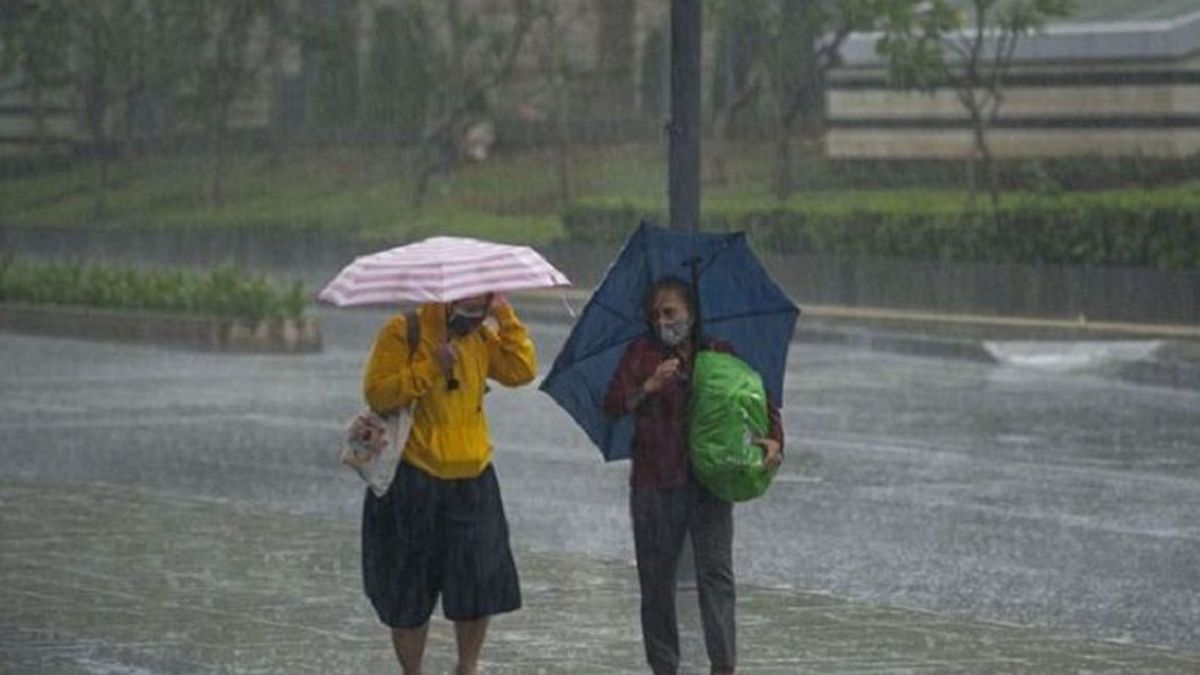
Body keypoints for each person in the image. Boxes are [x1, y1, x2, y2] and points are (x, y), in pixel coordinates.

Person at [604, 277, 784, 675]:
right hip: (655, 483)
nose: (663, 321)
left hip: (709, 483)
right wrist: (649, 385)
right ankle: (664, 666)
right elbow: (615, 403)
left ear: (691, 313)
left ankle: (724, 664)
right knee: (656, 582)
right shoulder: (641, 354)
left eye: (671, 312)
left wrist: (773, 440)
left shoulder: (717, 353)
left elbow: (755, 399)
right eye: (656, 315)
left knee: (716, 574)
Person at [361, 293, 536, 675]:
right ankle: (413, 669)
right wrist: (429, 367)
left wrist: (506, 317)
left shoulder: (480, 337)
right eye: (467, 307)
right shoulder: (403, 332)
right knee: (408, 588)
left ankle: (467, 666)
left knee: (480, 583)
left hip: (473, 477)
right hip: (415, 477)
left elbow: (522, 370)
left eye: (482, 307)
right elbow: (378, 393)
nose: (473, 316)